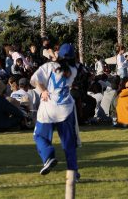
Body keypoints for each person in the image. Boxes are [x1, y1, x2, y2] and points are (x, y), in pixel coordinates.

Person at [30, 43, 80, 180]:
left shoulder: (49, 66)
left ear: (59, 54)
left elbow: (34, 80)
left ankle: (48, 156)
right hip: (66, 108)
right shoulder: (73, 70)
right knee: (69, 144)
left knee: (39, 136)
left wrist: (43, 91)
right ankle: (73, 173)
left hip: (49, 106)